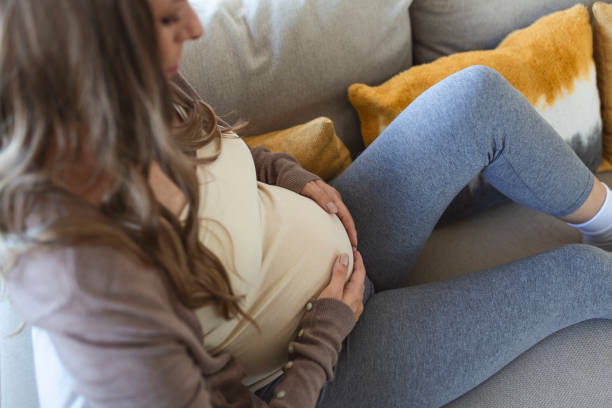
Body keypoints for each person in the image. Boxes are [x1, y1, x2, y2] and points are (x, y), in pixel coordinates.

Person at [2, 0, 612, 407]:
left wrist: (294, 177)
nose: (195, 24)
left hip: (344, 234)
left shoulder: (137, 91)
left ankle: (606, 219)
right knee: (579, 278)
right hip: (325, 365)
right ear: (89, 55)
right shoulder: (90, 283)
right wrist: (325, 334)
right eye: (165, 18)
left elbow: (222, 149)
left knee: (477, 97)